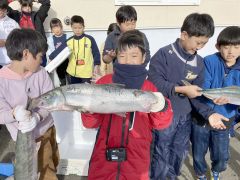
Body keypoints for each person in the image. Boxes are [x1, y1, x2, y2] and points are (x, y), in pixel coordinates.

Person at [81, 30, 173, 180]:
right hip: (104, 159)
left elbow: (160, 124)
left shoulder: (149, 87)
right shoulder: (104, 83)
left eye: (134, 55)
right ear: (116, 56)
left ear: (144, 57)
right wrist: (87, 109)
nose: (128, 60)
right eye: (122, 56)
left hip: (137, 161)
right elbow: (90, 123)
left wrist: (162, 107)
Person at [148, 13, 229, 180]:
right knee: (161, 155)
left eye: (204, 43)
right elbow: (154, 84)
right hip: (163, 117)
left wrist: (210, 114)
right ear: (184, 35)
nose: (199, 47)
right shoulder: (164, 55)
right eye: (198, 42)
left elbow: (196, 96)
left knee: (179, 154)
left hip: (185, 119)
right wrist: (181, 89)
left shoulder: (199, 63)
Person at [0, 28, 59, 180]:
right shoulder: (2, 80)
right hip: (23, 140)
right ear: (26, 54)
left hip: (46, 130)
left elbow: (51, 100)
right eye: (40, 56)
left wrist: (38, 117)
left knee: (51, 163)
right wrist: (13, 114)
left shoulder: (40, 73)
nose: (41, 60)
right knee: (38, 173)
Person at [191, 26, 240, 180]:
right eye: (226, 47)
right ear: (218, 46)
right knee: (198, 153)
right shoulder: (209, 61)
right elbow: (203, 86)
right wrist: (212, 97)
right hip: (202, 116)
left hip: (225, 118)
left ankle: (216, 170)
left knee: (221, 154)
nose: (231, 52)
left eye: (237, 47)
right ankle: (200, 174)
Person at [7, 0, 51, 66]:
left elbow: (46, 3)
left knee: (39, 72)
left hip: (38, 50)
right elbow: (4, 6)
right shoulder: (16, 16)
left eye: (29, 6)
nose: (27, 8)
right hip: (22, 51)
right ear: (21, 6)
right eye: (25, 6)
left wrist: (35, 0)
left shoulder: (38, 16)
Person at [66, 15, 100, 84]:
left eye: (80, 28)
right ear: (71, 28)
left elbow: (96, 53)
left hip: (86, 74)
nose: (77, 30)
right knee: (73, 93)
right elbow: (60, 53)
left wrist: (96, 65)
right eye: (75, 28)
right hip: (72, 73)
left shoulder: (90, 39)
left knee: (86, 93)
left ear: (84, 27)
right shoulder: (68, 41)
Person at [46, 18, 69, 86]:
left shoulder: (67, 36)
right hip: (58, 63)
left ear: (61, 27)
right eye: (54, 28)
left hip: (68, 61)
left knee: (70, 79)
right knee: (62, 80)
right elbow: (50, 52)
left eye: (58, 27)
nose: (56, 29)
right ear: (52, 30)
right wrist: (50, 60)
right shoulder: (50, 39)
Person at [0, 0, 19, 68]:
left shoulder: (13, 23)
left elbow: (19, 40)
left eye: (2, 10)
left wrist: (5, 42)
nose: (0, 12)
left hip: (10, 61)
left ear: (5, 10)